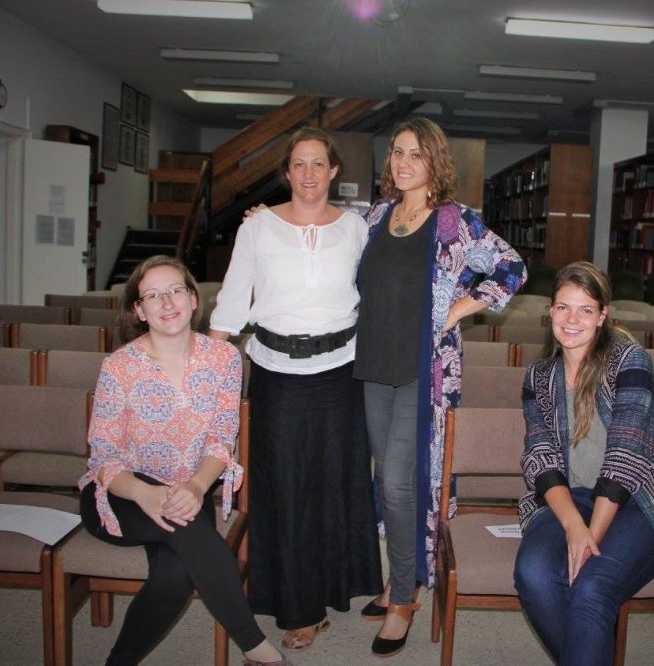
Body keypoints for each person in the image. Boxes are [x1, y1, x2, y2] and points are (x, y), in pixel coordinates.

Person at [354, 117, 527, 657]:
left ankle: (404, 597)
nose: (403, 163)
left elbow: (512, 267)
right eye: (397, 153)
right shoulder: (376, 216)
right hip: (372, 363)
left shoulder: (456, 222)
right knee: (385, 483)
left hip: (423, 370)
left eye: (415, 154)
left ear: (435, 163)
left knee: (405, 485)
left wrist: (458, 308)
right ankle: (399, 578)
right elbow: (324, 244)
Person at [208, 128, 383, 650]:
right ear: (287, 172)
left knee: (333, 487)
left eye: (319, 164)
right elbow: (235, 298)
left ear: (334, 172)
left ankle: (331, 591)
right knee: (285, 489)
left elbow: (385, 285)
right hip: (276, 372)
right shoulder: (258, 227)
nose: (309, 174)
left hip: (340, 372)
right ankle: (297, 606)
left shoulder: (357, 228)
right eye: (299, 164)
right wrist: (202, 366)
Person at [78, 255, 289, 666]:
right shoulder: (119, 366)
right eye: (152, 296)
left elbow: (220, 440)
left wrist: (194, 487)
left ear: (194, 300)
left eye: (176, 290)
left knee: (175, 573)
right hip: (119, 495)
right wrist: (145, 494)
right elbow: (103, 455)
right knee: (186, 531)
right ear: (138, 310)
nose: (167, 303)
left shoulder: (224, 359)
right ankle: (258, 649)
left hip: (188, 494)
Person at [513, 261, 654, 666]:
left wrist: (590, 540)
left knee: (590, 587)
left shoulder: (630, 361)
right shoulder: (539, 376)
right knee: (533, 573)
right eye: (563, 308)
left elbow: (627, 455)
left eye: (585, 310)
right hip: (571, 500)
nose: (572, 320)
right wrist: (573, 527)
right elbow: (540, 455)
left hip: (642, 501)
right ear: (549, 311)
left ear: (603, 315)